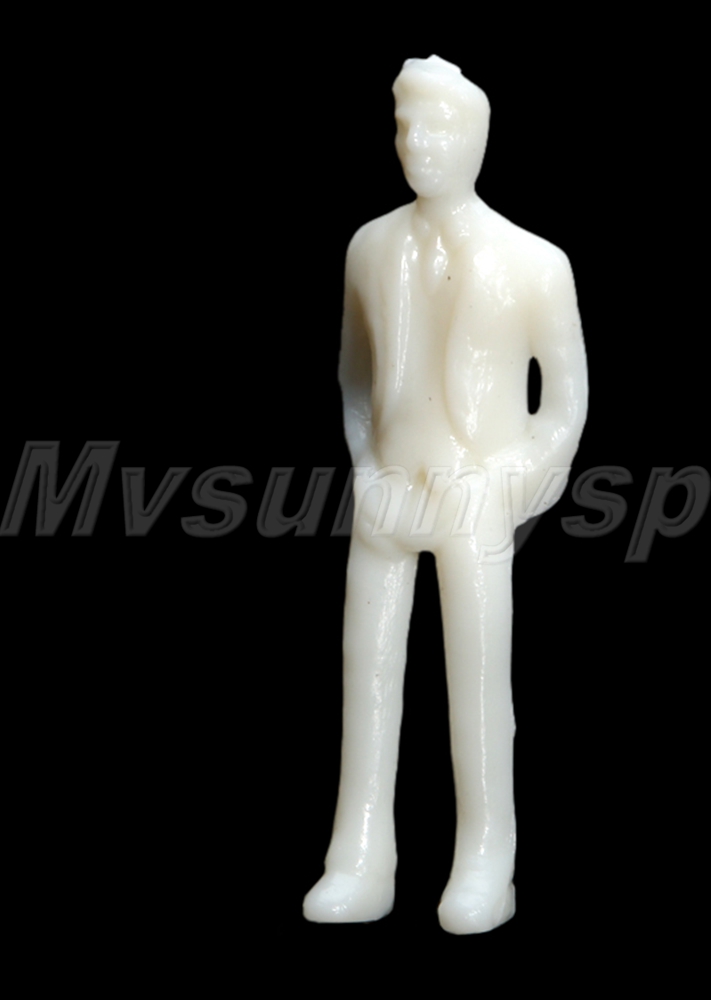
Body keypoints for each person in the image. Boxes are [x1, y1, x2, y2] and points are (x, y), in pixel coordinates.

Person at [303, 54, 588, 935]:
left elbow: (566, 405)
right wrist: (366, 463)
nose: (418, 145)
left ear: (476, 137)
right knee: (366, 678)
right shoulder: (369, 249)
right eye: (406, 129)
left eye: (438, 128)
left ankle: (485, 861)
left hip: (475, 498)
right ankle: (359, 857)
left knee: (479, 686)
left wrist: (510, 489)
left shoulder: (535, 263)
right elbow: (355, 376)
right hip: (389, 493)